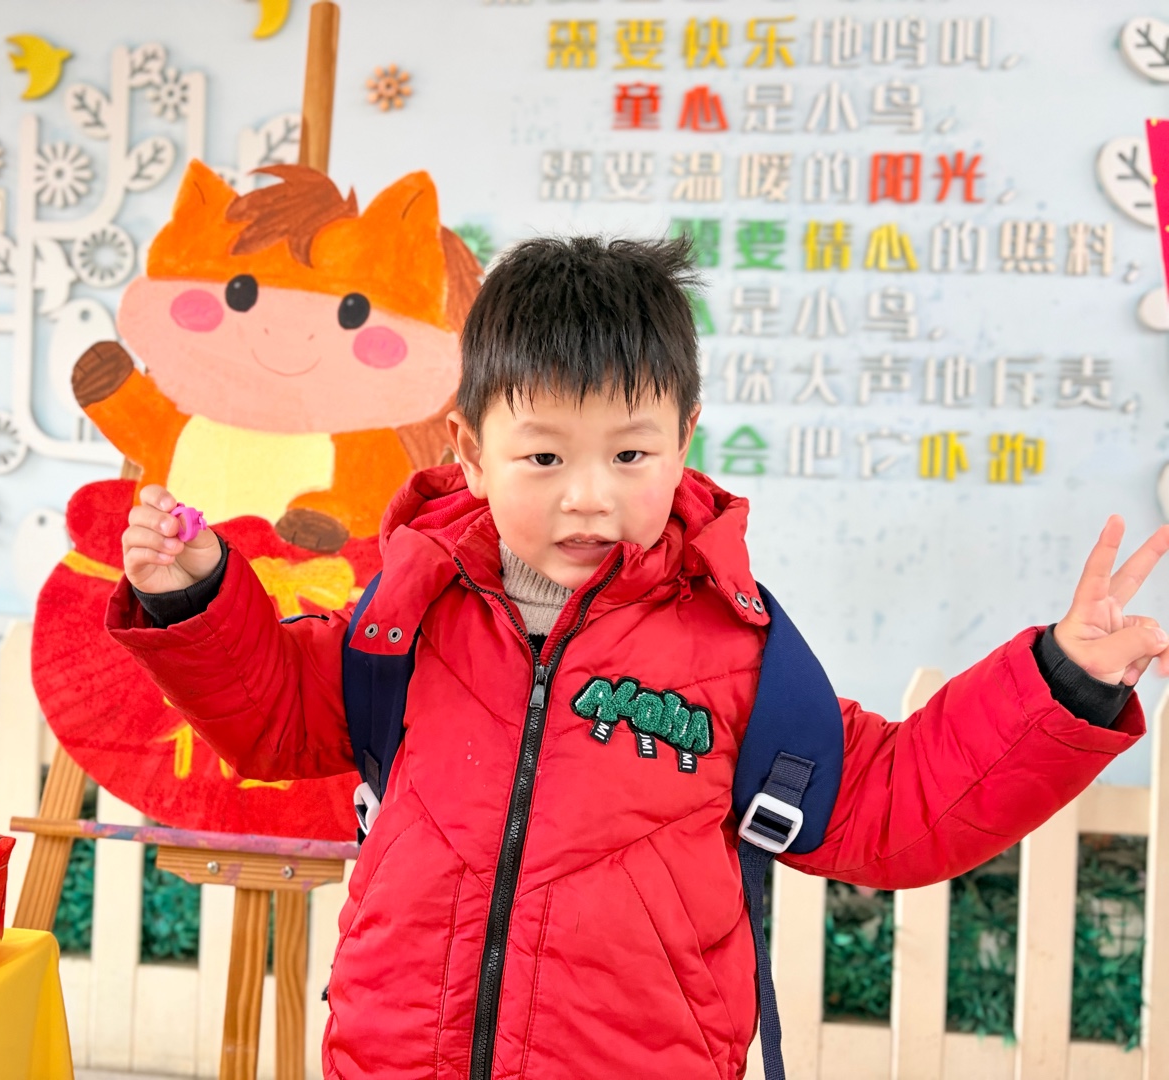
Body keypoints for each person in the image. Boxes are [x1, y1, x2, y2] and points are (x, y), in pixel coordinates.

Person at [107, 236, 1165, 1079]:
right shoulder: (407, 616)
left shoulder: (733, 649)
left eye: (629, 453)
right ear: (469, 451)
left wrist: (1063, 681)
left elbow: (891, 806)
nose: (589, 496)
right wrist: (195, 596)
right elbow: (279, 721)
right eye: (543, 455)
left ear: (683, 438)